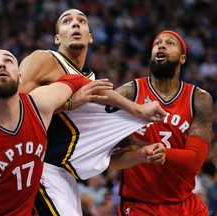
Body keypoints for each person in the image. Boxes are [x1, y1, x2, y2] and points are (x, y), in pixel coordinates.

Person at [0, 49, 113, 216]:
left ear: (20, 77)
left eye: (9, 60)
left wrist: (136, 110)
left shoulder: (40, 105)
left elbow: (76, 79)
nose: (1, 64)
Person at [19, 8, 166, 215]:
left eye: (81, 20)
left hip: (66, 178)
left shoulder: (91, 79)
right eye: (67, 21)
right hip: (38, 167)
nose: (75, 23)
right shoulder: (45, 59)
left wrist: (142, 154)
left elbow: (110, 158)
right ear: (57, 38)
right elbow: (12, 108)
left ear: (90, 37)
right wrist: (71, 103)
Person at [112, 30, 213, 215]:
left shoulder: (198, 99)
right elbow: (111, 153)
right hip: (140, 205)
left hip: (185, 204)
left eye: (170, 43)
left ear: (183, 59)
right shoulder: (130, 92)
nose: (161, 45)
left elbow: (194, 161)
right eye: (157, 42)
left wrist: (158, 152)